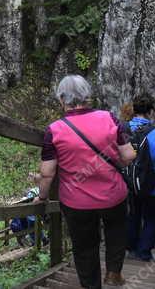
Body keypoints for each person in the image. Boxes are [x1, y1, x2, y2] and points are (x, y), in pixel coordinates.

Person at [35, 75, 137, 288]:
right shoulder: (109, 118)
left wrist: (42, 197)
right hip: (113, 195)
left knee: (84, 247)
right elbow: (128, 156)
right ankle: (113, 272)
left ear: (62, 99)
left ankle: (92, 285)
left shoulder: (54, 130)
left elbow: (47, 173)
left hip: (77, 202)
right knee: (116, 232)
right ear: (87, 95)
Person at [125, 95, 155, 262]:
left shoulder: (123, 129)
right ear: (151, 112)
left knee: (132, 215)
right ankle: (144, 252)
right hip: (154, 185)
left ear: (134, 110)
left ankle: (131, 248)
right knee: (152, 218)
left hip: (128, 184)